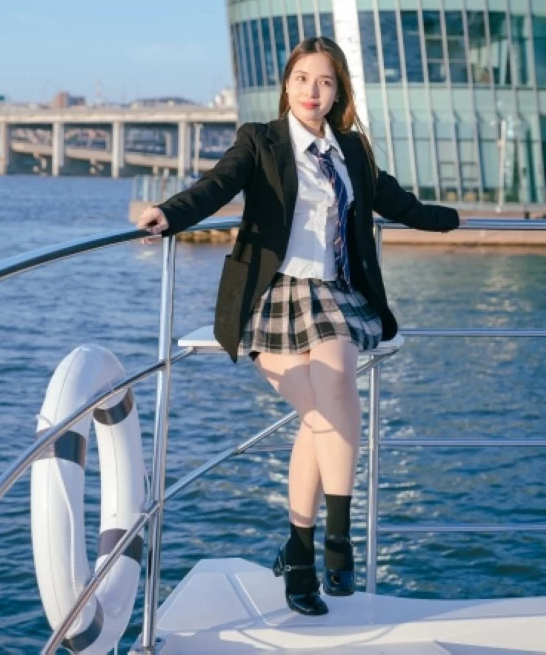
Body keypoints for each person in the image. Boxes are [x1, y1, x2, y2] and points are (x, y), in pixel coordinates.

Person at [137, 36, 463, 615]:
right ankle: (310, 548)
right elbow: (217, 186)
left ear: (339, 93)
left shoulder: (353, 151)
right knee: (318, 418)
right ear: (287, 84)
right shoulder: (259, 141)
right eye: (304, 79)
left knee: (334, 387)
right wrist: (169, 212)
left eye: (327, 82)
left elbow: (393, 200)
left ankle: (322, 541)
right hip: (272, 296)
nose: (314, 91)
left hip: (335, 295)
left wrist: (448, 219)